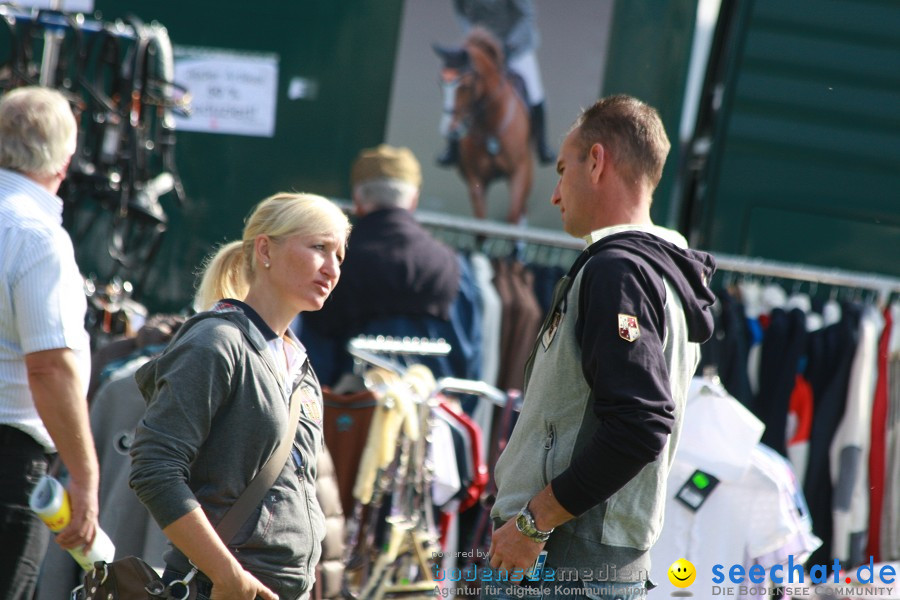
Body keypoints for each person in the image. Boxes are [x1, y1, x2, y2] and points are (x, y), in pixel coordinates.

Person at [486, 95, 717, 599]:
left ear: (596, 162)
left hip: (561, 569)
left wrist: (532, 525)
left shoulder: (619, 270)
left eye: (562, 169)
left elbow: (641, 423)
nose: (554, 194)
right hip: (591, 567)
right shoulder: (657, 272)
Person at [129, 192, 351, 600]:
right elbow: (153, 468)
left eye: (339, 254)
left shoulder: (299, 363)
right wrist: (228, 575)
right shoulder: (216, 342)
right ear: (265, 249)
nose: (332, 268)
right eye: (319, 247)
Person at [0, 86, 100, 598]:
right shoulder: (37, 235)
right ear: (65, 159)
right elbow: (50, 369)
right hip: (8, 456)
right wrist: (84, 476)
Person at [300, 144, 463, 387]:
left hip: (350, 413)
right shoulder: (453, 265)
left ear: (357, 199)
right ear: (413, 199)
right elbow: (467, 353)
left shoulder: (333, 263)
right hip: (429, 412)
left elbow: (314, 351)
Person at [439, 0, 555, 166]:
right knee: (458, 81)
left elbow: (526, 17)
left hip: (515, 46)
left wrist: (509, 44)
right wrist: (472, 33)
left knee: (535, 92)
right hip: (481, 44)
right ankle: (452, 147)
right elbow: (460, 11)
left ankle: (542, 146)